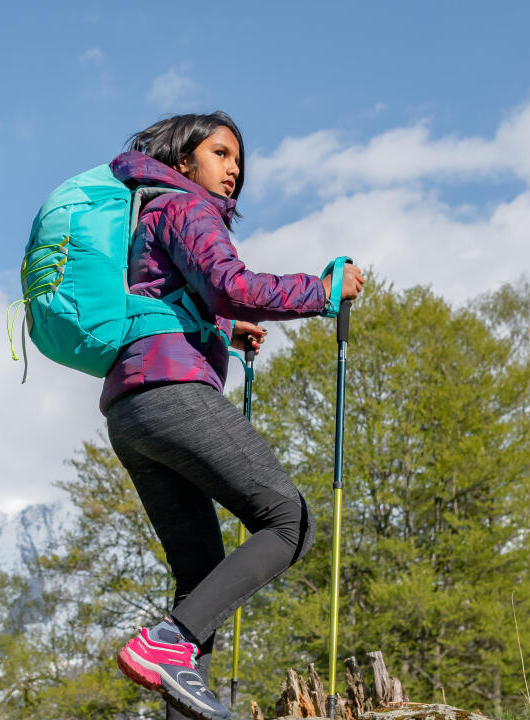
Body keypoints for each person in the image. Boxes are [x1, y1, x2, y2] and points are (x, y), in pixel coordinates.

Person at [105, 112, 364, 720]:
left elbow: (168, 296)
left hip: (130, 409)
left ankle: (173, 658)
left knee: (199, 581)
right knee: (288, 520)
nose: (233, 170)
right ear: (182, 161)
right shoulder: (184, 206)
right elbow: (231, 283)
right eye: (220, 154)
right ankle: (166, 644)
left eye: (239, 162)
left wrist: (224, 328)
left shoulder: (145, 215)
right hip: (173, 393)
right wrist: (322, 293)